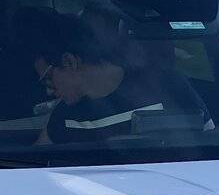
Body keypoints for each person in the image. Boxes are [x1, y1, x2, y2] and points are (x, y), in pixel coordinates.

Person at [25, 11, 201, 144]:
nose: (48, 91)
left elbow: (212, 142)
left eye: (48, 78)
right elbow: (35, 169)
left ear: (70, 62)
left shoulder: (169, 86)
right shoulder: (63, 118)